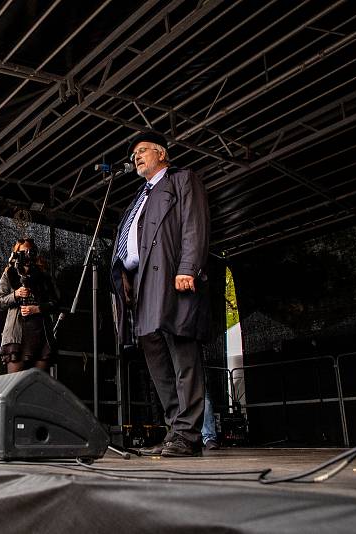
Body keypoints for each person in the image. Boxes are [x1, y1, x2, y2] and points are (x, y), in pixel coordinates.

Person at [111, 131, 210, 458]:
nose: (136, 157)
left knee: (182, 355)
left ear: (162, 154)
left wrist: (188, 267)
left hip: (171, 277)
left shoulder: (182, 180)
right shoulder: (140, 196)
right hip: (141, 286)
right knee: (157, 361)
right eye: (134, 154)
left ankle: (188, 433)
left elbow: (194, 225)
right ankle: (174, 432)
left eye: (142, 151)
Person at [0, 238, 59, 374]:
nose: (26, 254)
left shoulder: (43, 276)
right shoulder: (9, 274)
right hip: (17, 336)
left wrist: (37, 308)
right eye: (22, 252)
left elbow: (56, 303)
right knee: (15, 385)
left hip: (41, 335)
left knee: (38, 384)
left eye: (29, 251)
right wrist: (16, 294)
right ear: (16, 254)